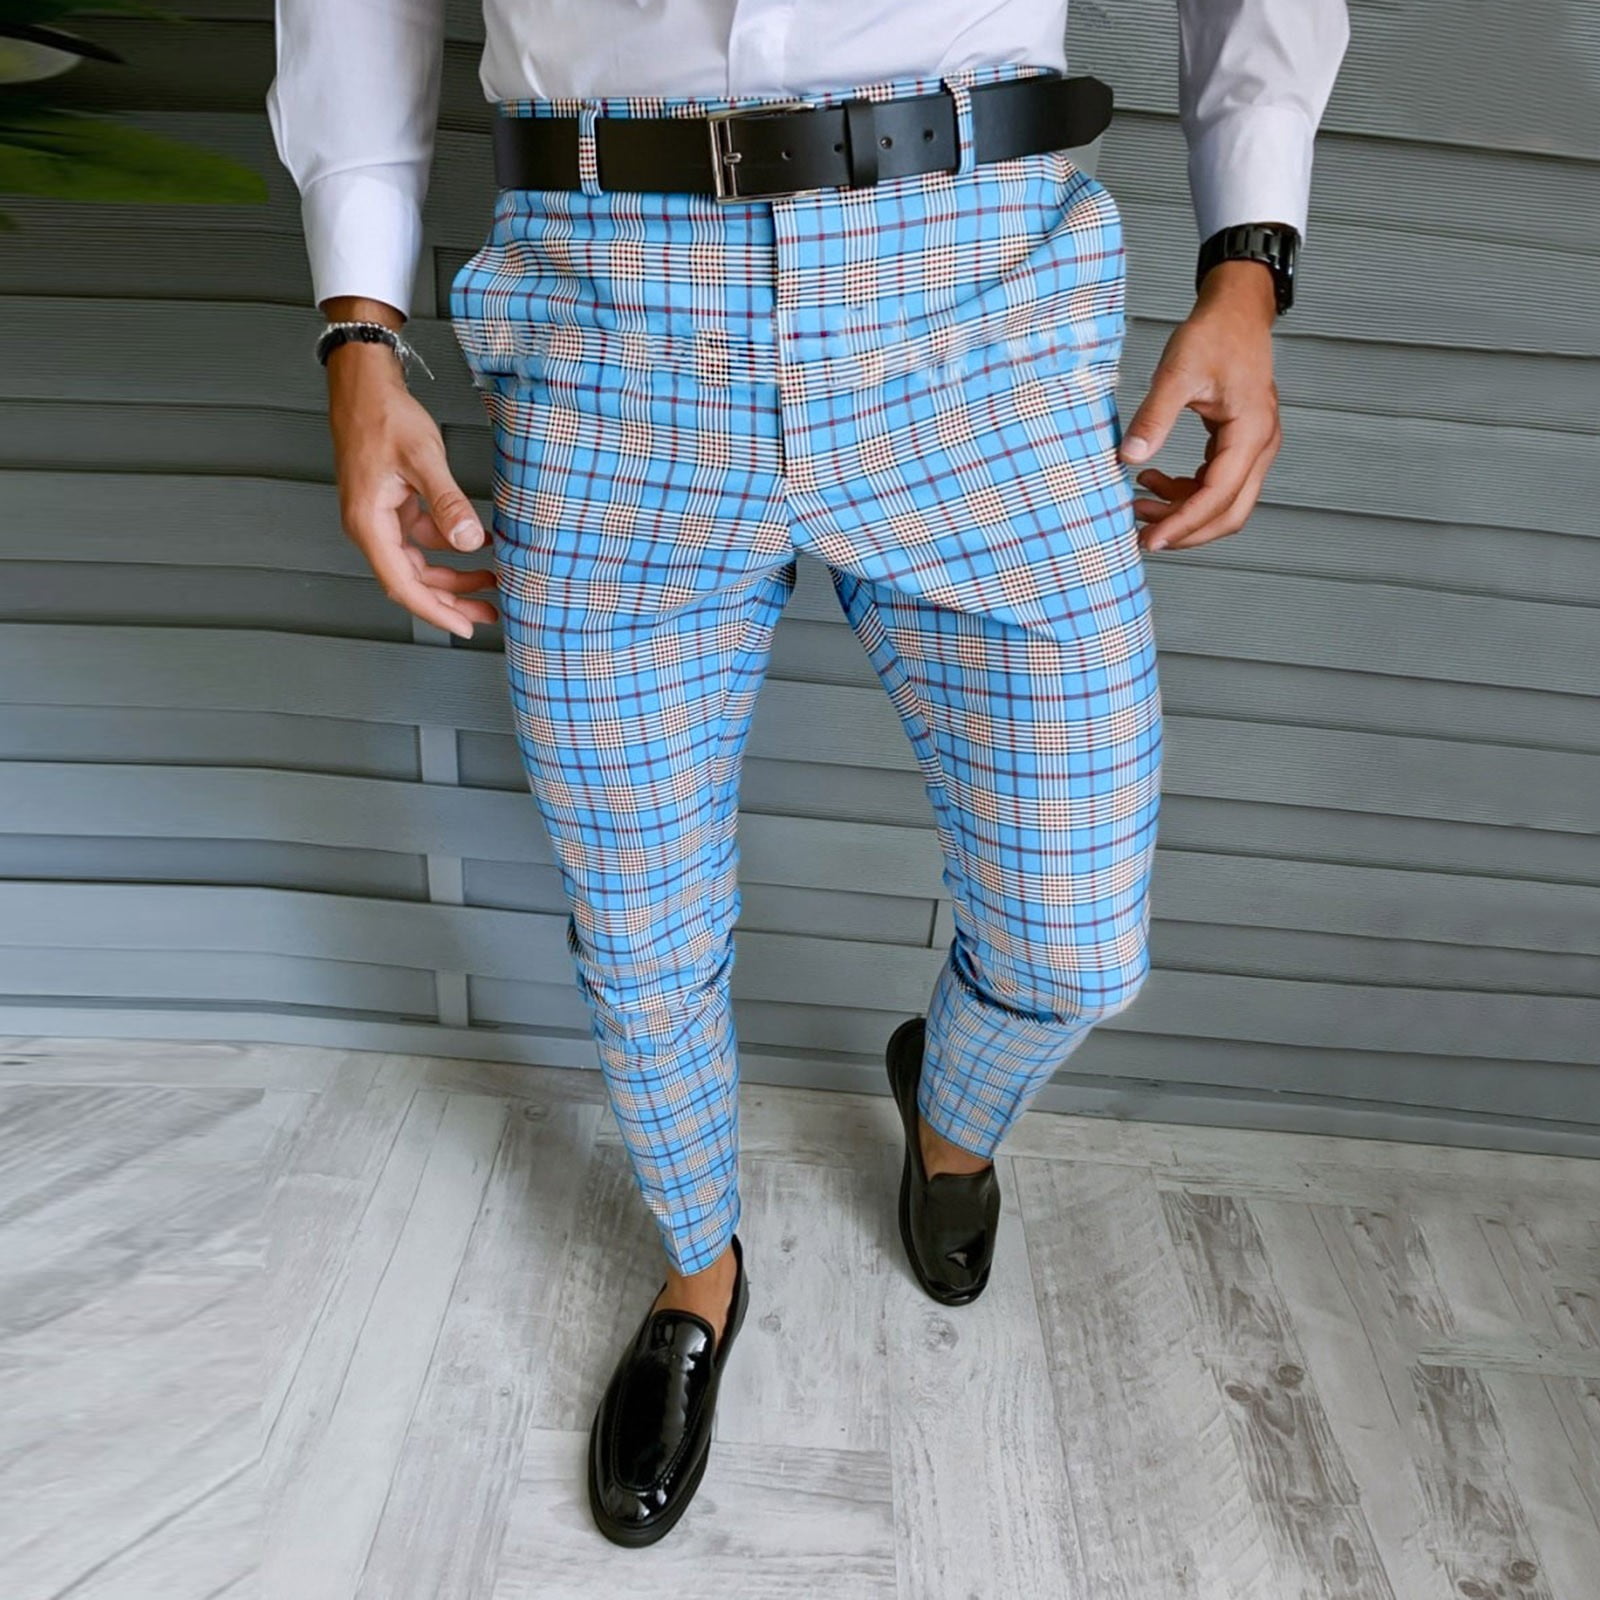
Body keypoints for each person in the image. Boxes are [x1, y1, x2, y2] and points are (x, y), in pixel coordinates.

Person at [267, 0, 1350, 1548]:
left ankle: (952, 1116)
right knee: (640, 919)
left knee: (1075, 939)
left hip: (977, 305)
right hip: (612, 315)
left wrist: (1250, 257)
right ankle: (698, 1272)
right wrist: (358, 330)